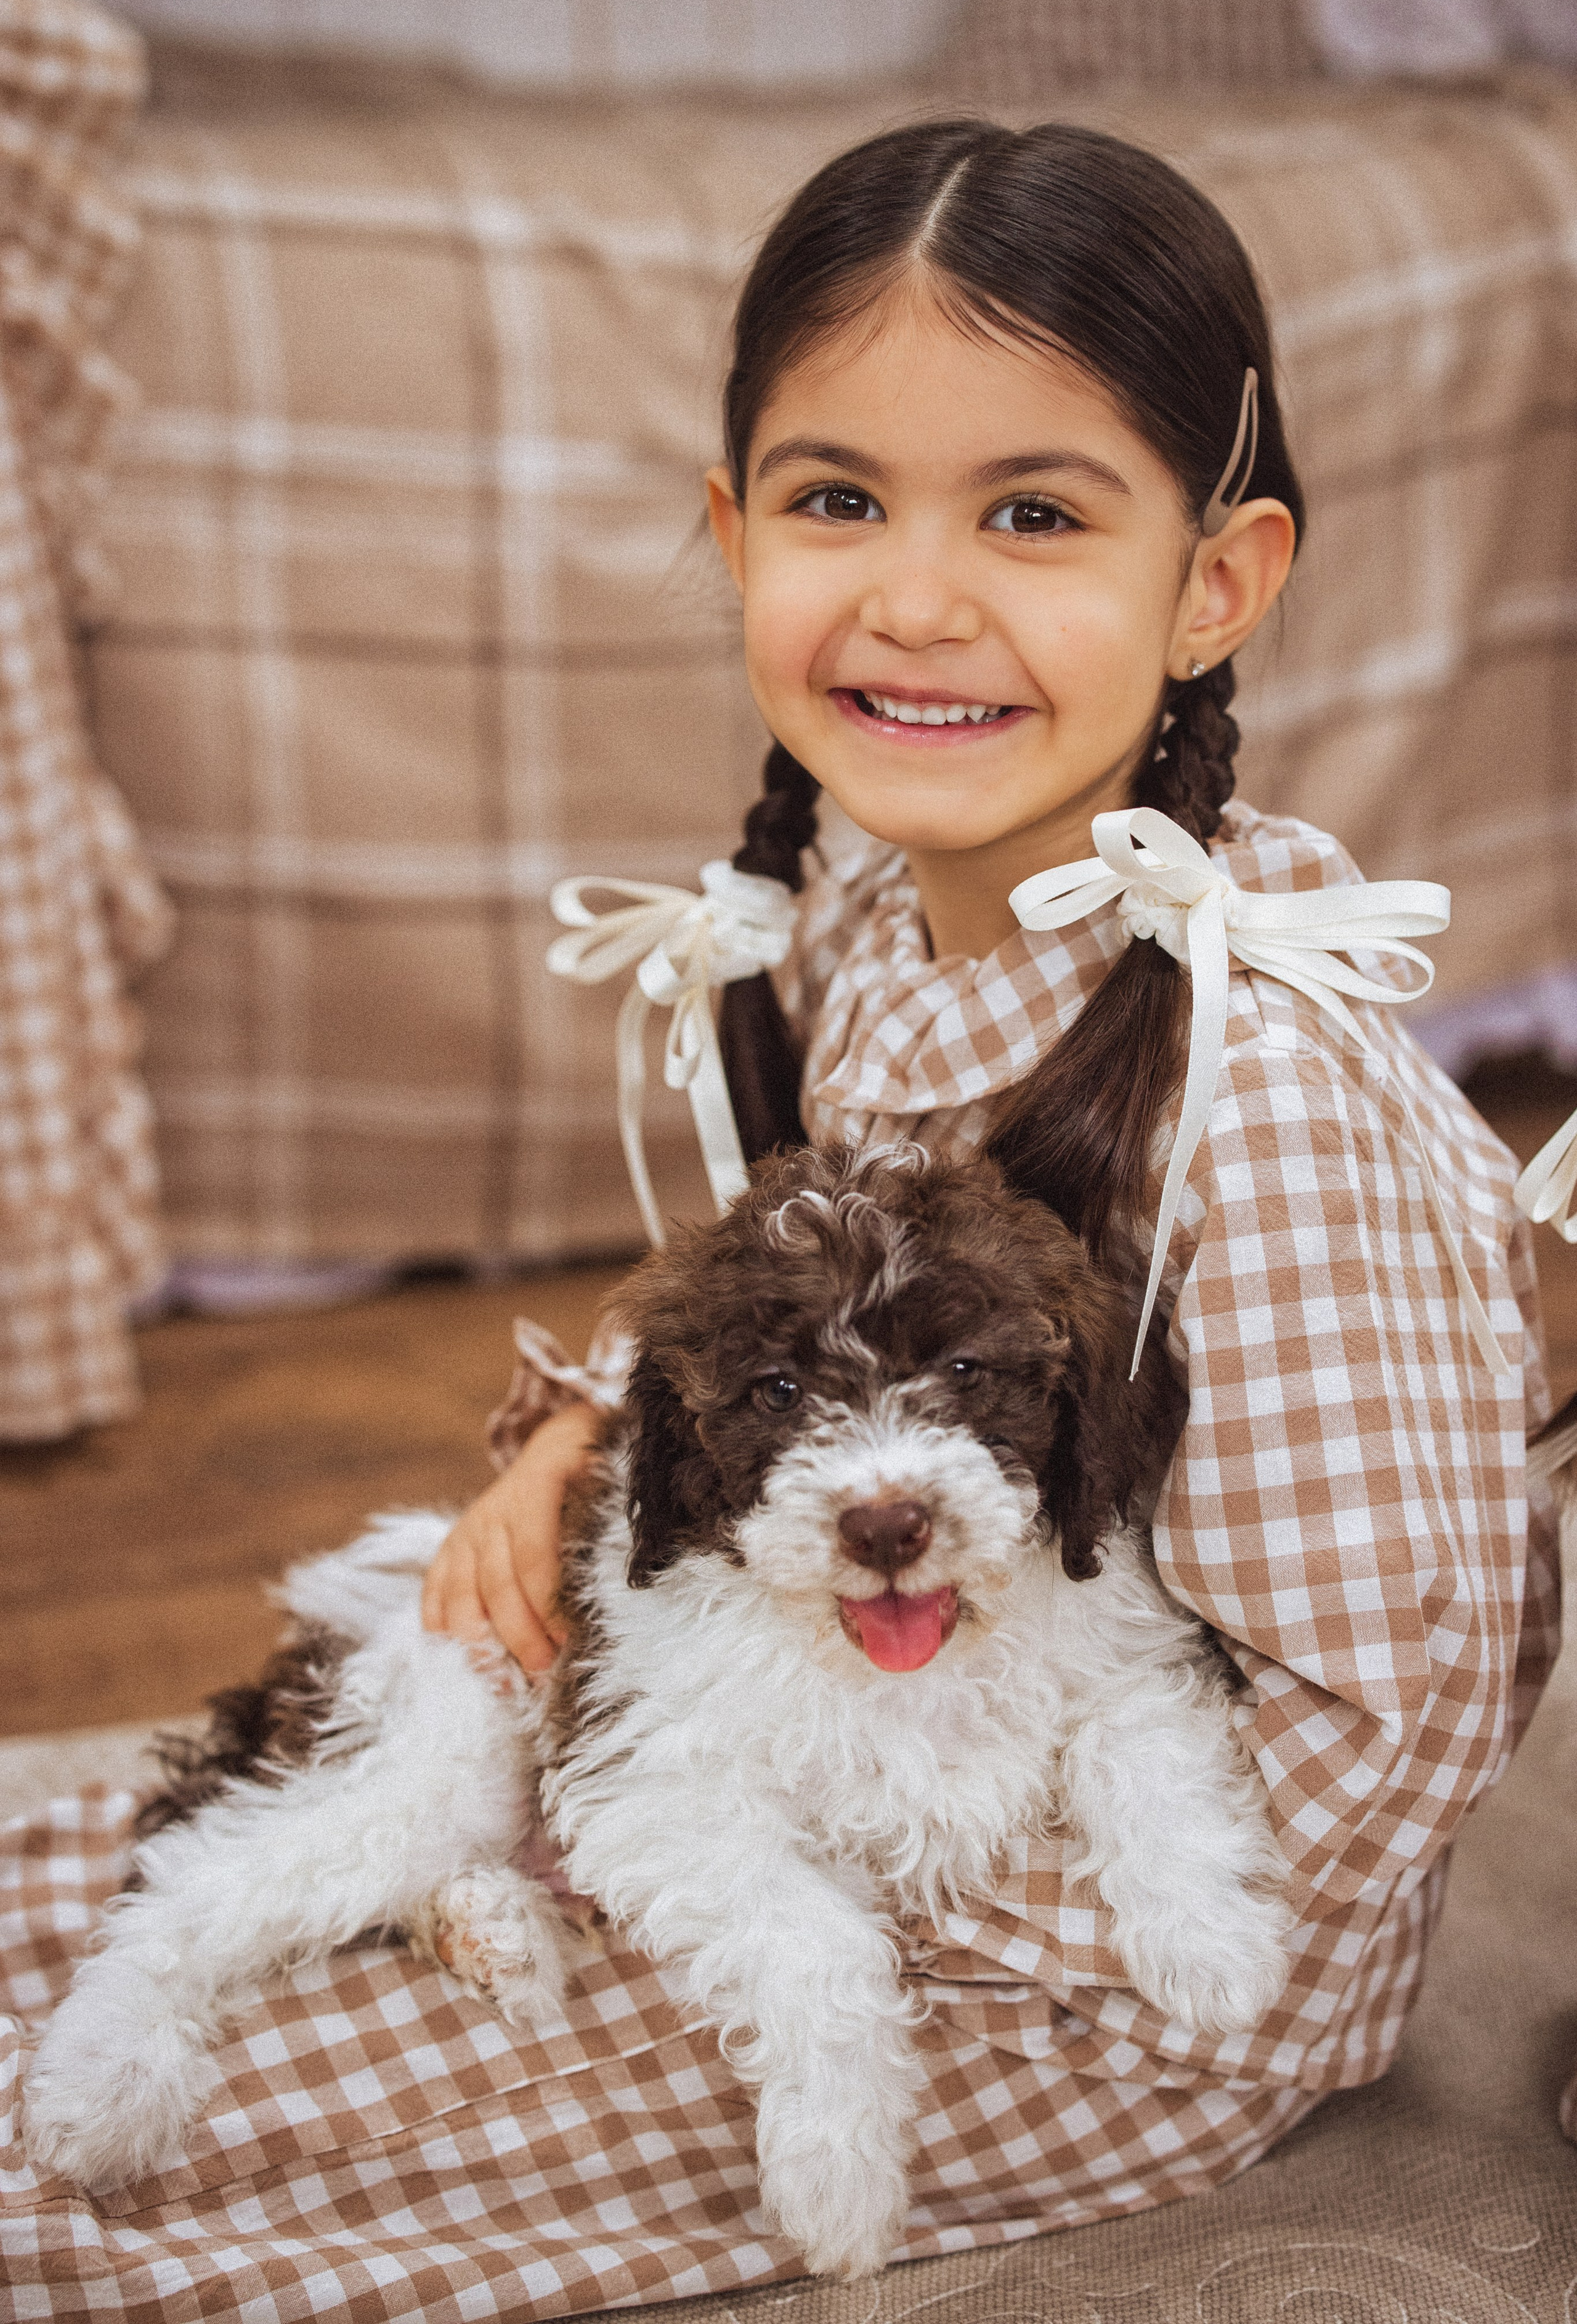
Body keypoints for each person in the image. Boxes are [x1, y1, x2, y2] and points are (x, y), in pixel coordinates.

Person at [9, 119, 1559, 2316]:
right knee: (175, 1871)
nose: (917, 599)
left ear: (1216, 581)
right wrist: (578, 1446)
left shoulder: (1275, 1107)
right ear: (734, 532)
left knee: (159, 2181)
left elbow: (1388, 1730)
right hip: (843, 1748)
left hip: (1103, 1972)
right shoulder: (865, 923)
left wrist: (829, 1876)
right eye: (841, 500)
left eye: (1034, 513)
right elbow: (811, 1286)